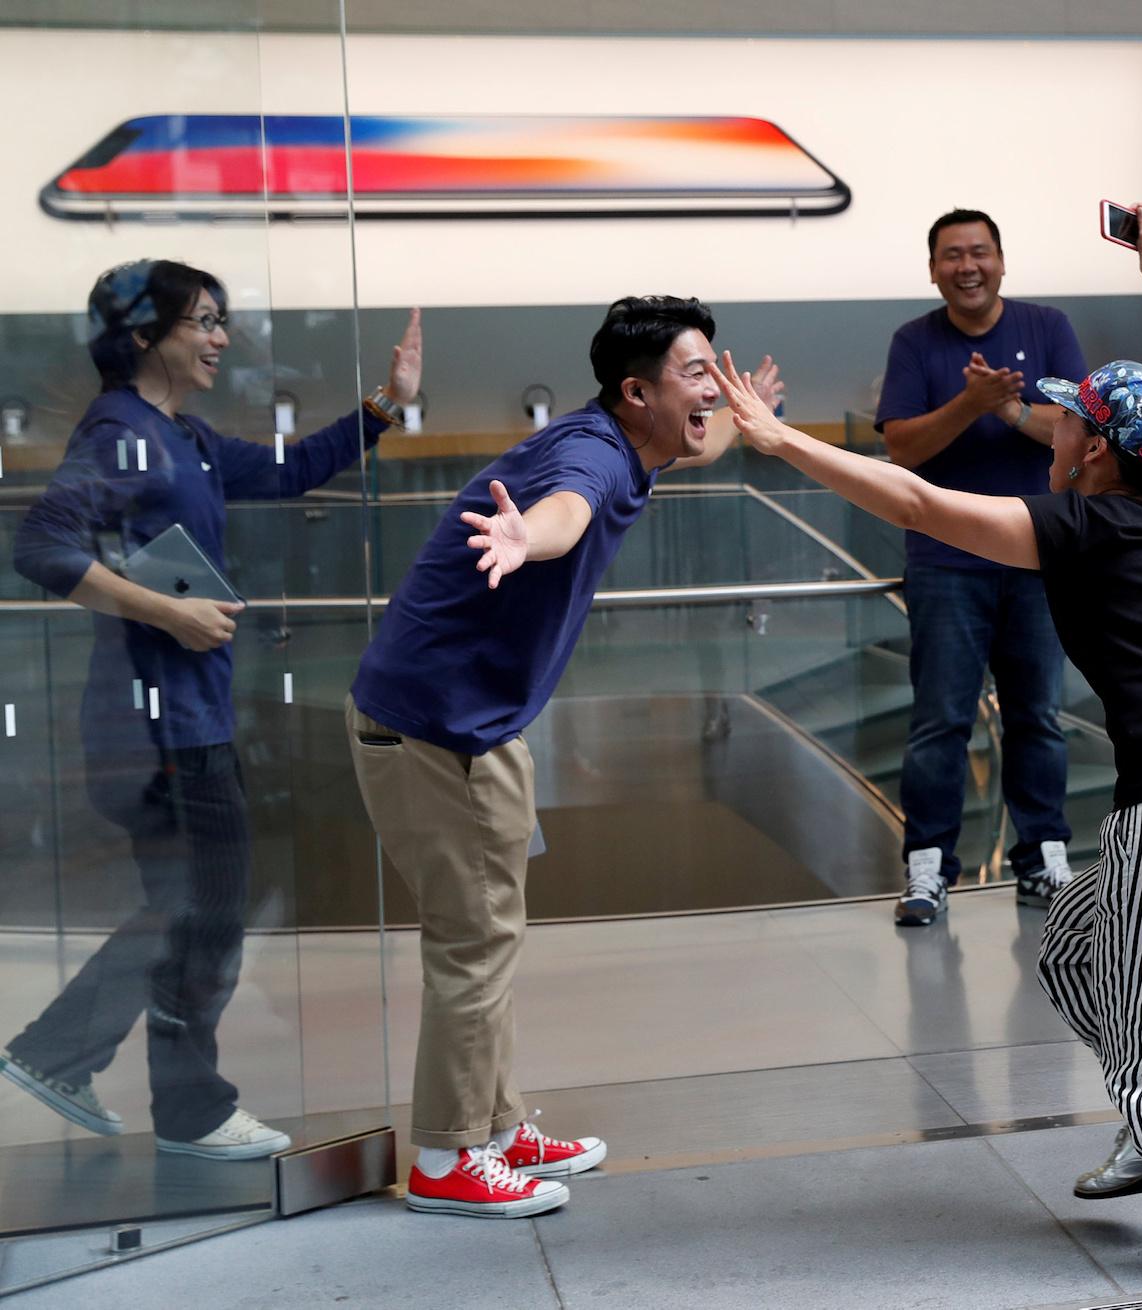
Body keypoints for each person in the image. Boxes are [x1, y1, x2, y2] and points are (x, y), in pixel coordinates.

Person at [712, 204, 1142, 1288]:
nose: (1052, 430)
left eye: (1067, 424)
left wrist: (777, 439)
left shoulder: (1084, 526)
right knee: (1077, 950)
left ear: (1095, 453)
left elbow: (912, 496)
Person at [346, 296, 781, 1217]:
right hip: (435, 731)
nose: (711, 386)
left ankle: (495, 1127)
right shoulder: (589, 454)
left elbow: (697, 446)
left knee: (493, 935)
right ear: (635, 392)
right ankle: (445, 1158)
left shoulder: (632, 441)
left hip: (475, 728)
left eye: (714, 369)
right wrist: (523, 535)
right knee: (472, 944)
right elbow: (564, 514)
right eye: (694, 373)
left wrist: (743, 418)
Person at [4, 260, 419, 1161]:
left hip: (186, 715)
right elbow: (40, 545)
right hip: (158, 727)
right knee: (211, 906)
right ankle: (186, 1109)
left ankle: (55, 1054)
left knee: (188, 906)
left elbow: (290, 468)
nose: (220, 338)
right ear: (144, 335)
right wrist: (169, 610)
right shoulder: (122, 433)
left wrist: (384, 405)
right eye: (202, 321)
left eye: (221, 320)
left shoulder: (176, 435)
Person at [875, 208, 1081, 926]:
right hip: (945, 562)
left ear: (1001, 260)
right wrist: (968, 403)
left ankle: (1045, 857)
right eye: (952, 255)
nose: (968, 266)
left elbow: (1078, 433)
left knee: (1039, 717)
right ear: (934, 269)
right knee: (940, 720)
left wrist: (1012, 412)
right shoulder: (915, 343)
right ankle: (927, 869)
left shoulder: (1047, 328)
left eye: (980, 252)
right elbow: (902, 449)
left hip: (1035, 553)